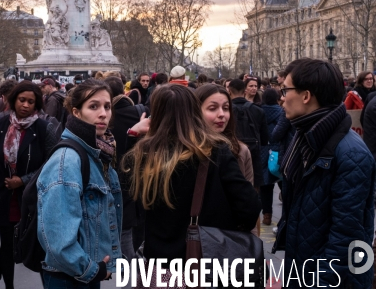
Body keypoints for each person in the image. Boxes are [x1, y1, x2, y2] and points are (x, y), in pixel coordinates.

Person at [125, 84, 260, 284]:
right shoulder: (216, 151)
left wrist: (133, 135)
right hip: (207, 263)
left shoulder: (143, 156)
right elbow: (249, 208)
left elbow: (128, 198)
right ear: (194, 111)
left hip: (160, 269)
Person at [273, 58, 376, 287]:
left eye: (285, 90)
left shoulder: (350, 153)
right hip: (305, 269)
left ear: (306, 96)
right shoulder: (306, 136)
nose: (281, 97)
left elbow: (345, 238)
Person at [37, 79, 122, 288]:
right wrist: (91, 270)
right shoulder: (68, 160)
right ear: (76, 112)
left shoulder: (98, 152)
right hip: (71, 277)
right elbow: (58, 239)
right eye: (93, 106)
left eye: (107, 106)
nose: (103, 113)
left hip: (84, 272)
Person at [0, 82, 58, 289]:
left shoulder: (44, 127)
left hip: (31, 198)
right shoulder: (0, 122)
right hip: (4, 195)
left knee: (36, 247)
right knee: (7, 246)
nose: (26, 105)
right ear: (14, 100)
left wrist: (23, 180)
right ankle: (9, 286)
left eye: (31, 101)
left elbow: (51, 163)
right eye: (22, 100)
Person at [105, 76, 149, 260]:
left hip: (116, 177)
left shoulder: (106, 120)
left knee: (125, 232)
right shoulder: (141, 112)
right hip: (140, 176)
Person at [195, 84, 254, 185]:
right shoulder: (185, 152)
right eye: (212, 108)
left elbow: (248, 195)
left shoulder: (241, 151)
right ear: (196, 111)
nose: (221, 114)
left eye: (226, 108)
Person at [228, 78, 269, 189]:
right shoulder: (258, 110)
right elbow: (265, 139)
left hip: (231, 154)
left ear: (229, 91)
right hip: (254, 154)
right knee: (254, 189)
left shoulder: (226, 110)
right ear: (244, 91)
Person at [258, 88, 282, 226]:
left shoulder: (259, 111)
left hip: (263, 148)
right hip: (277, 149)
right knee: (282, 180)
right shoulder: (281, 112)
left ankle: (267, 216)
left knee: (265, 185)